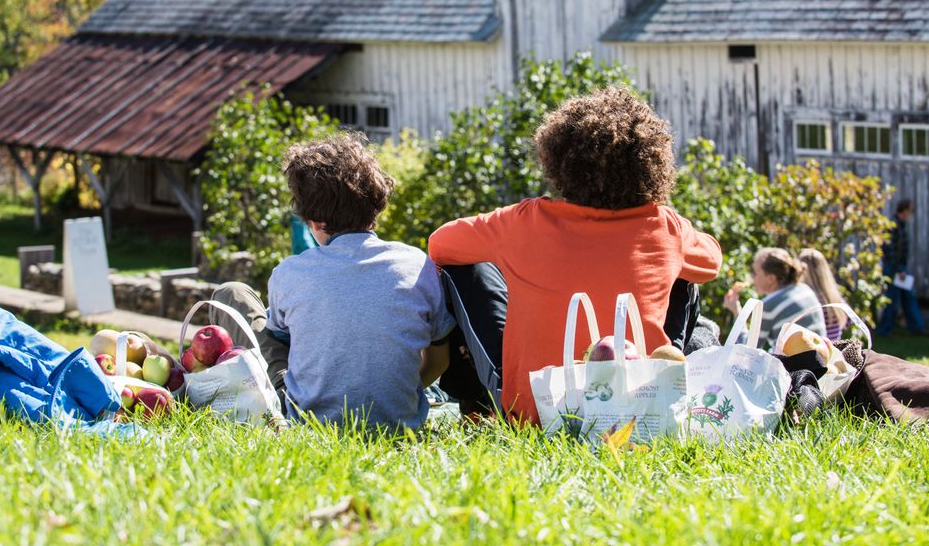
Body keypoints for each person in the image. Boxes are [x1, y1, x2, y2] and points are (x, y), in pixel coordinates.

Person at [428, 87, 723, 426]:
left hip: (534, 410)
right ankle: (666, 372)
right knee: (687, 275)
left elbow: (440, 244)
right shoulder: (665, 225)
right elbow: (712, 261)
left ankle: (476, 404)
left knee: (464, 266)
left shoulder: (522, 221)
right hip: (636, 407)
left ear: (558, 162)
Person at [222, 133, 455, 431]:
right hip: (400, 424)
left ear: (315, 221)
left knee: (233, 294)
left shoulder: (290, 272)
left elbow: (279, 339)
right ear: (377, 204)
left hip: (309, 422)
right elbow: (439, 358)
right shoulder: (416, 264)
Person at [724, 247, 826, 349]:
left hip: (797, 364)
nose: (751, 277)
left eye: (755, 273)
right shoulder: (805, 289)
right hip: (821, 360)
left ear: (771, 279)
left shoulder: (768, 305)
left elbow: (745, 349)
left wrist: (736, 311)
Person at [876, 199, 928, 336]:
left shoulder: (901, 225)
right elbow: (890, 250)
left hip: (900, 268)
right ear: (904, 211)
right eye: (910, 211)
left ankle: (917, 328)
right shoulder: (893, 225)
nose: (910, 214)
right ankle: (885, 330)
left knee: (908, 297)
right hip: (894, 269)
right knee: (892, 300)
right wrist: (899, 270)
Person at [799, 248, 848, 340]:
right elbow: (847, 322)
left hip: (815, 350)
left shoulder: (806, 301)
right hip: (834, 351)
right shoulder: (835, 298)